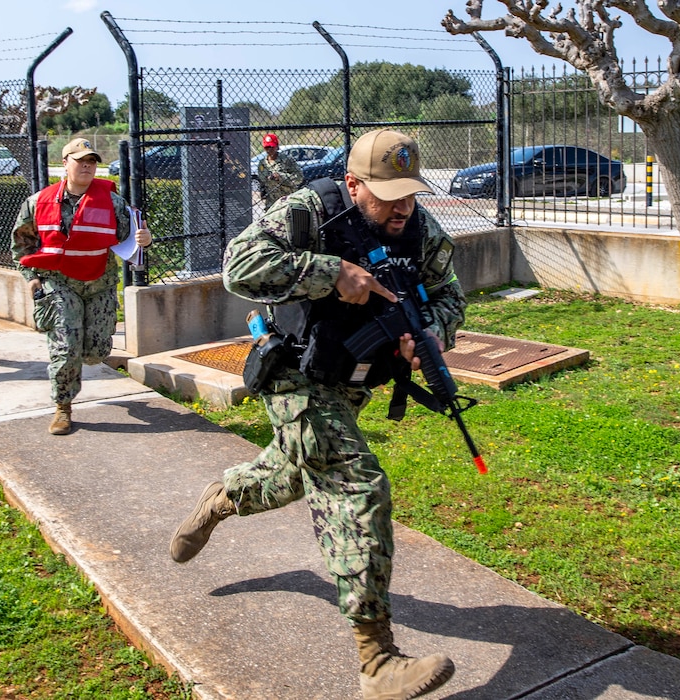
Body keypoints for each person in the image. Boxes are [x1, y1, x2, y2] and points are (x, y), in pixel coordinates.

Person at [170, 129, 467, 700]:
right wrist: (331, 273)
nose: (403, 207)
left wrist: (430, 332)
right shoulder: (309, 210)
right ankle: (376, 658)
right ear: (354, 184)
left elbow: (450, 295)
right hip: (293, 375)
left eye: (410, 194)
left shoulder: (422, 230)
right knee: (356, 484)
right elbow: (239, 267)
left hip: (350, 381)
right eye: (388, 195)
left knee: (287, 478)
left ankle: (222, 498)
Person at [11, 137, 151, 435]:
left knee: (95, 352)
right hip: (59, 283)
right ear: (65, 164)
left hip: (98, 283)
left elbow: (129, 238)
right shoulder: (38, 202)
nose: (87, 166)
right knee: (66, 346)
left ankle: (87, 356)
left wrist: (144, 240)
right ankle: (63, 407)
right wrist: (32, 279)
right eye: (80, 161)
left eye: (91, 162)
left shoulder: (112, 202)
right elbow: (21, 244)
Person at [254, 133, 303, 209]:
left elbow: (299, 178)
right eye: (267, 147)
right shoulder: (262, 163)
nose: (269, 150)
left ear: (277, 146)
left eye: (271, 147)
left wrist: (280, 177)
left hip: (287, 201)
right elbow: (262, 180)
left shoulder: (286, 160)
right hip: (271, 203)